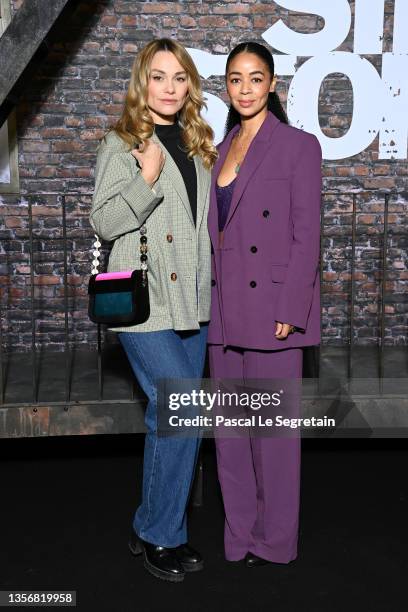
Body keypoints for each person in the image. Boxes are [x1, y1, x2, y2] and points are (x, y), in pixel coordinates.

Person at [90, 38, 217, 583]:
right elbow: (103, 221)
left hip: (191, 300)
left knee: (175, 419)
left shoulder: (197, 141)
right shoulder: (122, 143)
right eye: (159, 76)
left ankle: (159, 527)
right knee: (183, 414)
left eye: (179, 78)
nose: (169, 87)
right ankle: (158, 532)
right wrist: (143, 179)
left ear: (189, 84)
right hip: (146, 304)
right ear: (142, 82)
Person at [207, 42, 322, 567]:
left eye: (256, 78)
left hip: (274, 311)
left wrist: (291, 309)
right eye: (235, 79)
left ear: (272, 84)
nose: (246, 88)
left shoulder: (298, 146)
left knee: (274, 440)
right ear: (226, 87)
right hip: (225, 311)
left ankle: (275, 543)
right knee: (230, 438)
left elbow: (307, 234)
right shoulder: (218, 147)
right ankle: (240, 537)